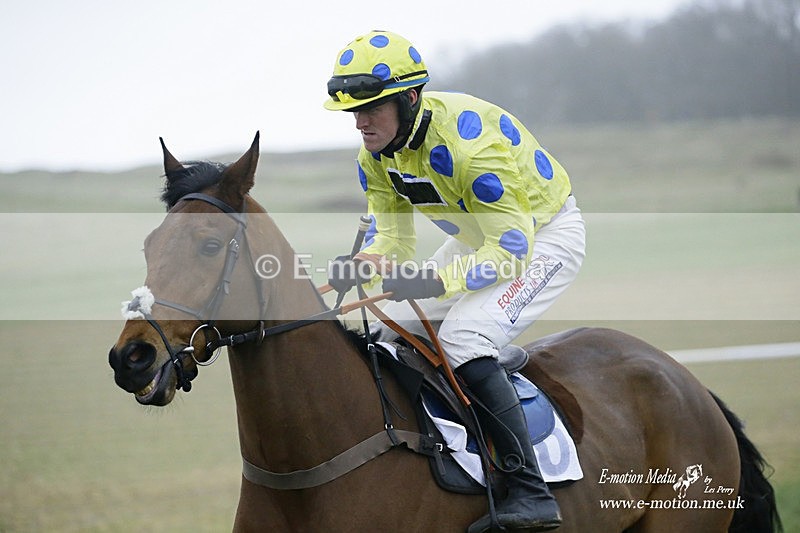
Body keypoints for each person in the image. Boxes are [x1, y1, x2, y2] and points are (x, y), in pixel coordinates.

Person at [325, 30, 585, 533]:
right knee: (387, 330)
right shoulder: (374, 156)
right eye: (353, 111)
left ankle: (530, 491)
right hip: (478, 237)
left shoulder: (471, 149)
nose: (360, 122)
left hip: (541, 235)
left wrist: (429, 283)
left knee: (465, 337)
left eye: (372, 108)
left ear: (410, 99)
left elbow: (511, 251)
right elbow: (394, 241)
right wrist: (364, 263)